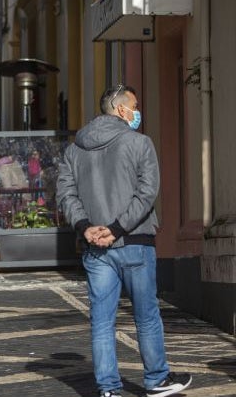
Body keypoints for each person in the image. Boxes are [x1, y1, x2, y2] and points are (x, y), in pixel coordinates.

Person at [57, 85, 192, 397]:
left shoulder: (75, 149)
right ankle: (157, 380)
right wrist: (117, 228)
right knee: (146, 316)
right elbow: (147, 192)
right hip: (134, 242)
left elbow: (66, 193)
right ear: (120, 110)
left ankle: (108, 389)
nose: (136, 112)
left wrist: (86, 226)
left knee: (102, 322)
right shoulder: (139, 143)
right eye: (134, 106)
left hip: (95, 248)